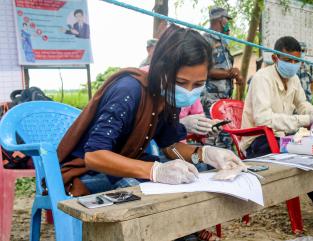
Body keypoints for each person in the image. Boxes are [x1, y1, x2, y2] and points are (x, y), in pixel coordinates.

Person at [57, 25, 248, 199]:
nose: (189, 90)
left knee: (196, 174)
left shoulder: (168, 95)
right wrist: (155, 171)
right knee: (139, 194)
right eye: (181, 82)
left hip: (128, 167)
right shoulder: (128, 90)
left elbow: (169, 146)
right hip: (86, 174)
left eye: (198, 84)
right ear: (161, 70)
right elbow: (94, 156)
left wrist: (206, 154)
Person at [239, 36, 313, 237]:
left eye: (296, 61)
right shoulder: (262, 78)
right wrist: (303, 120)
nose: (293, 65)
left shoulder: (293, 80)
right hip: (258, 142)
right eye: (288, 60)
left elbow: (303, 105)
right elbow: (263, 119)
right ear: (275, 58)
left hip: (280, 138)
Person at [200, 7, 242, 149]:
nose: (228, 23)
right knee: (211, 137)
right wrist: (230, 73)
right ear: (221, 20)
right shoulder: (205, 39)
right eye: (227, 20)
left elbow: (226, 68)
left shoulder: (224, 41)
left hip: (225, 100)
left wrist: (236, 74)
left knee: (225, 138)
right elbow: (204, 70)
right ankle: (209, 169)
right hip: (211, 99)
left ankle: (226, 166)